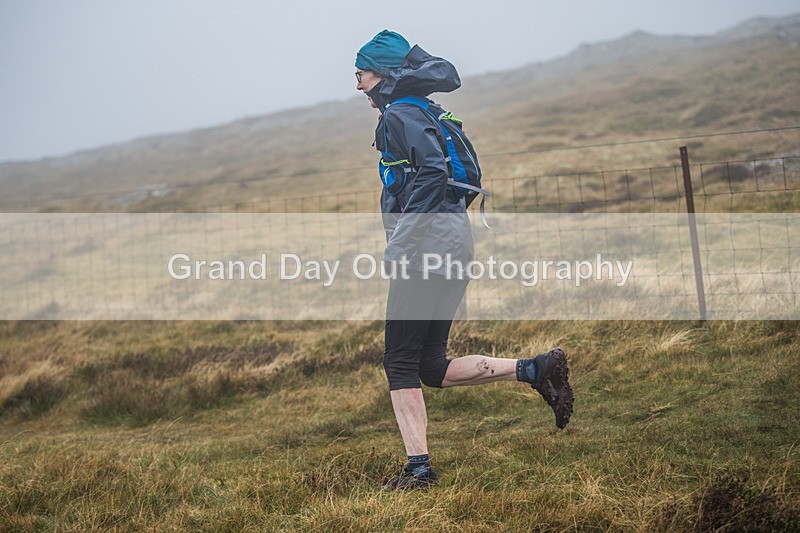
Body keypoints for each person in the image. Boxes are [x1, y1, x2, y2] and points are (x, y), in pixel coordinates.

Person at [355, 30, 574, 490]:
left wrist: (403, 243)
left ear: (382, 76)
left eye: (362, 74)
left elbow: (434, 170)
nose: (358, 86)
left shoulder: (399, 114)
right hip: (455, 242)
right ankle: (534, 370)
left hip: (425, 249)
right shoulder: (427, 109)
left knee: (398, 362)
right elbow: (448, 176)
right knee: (430, 366)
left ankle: (419, 470)